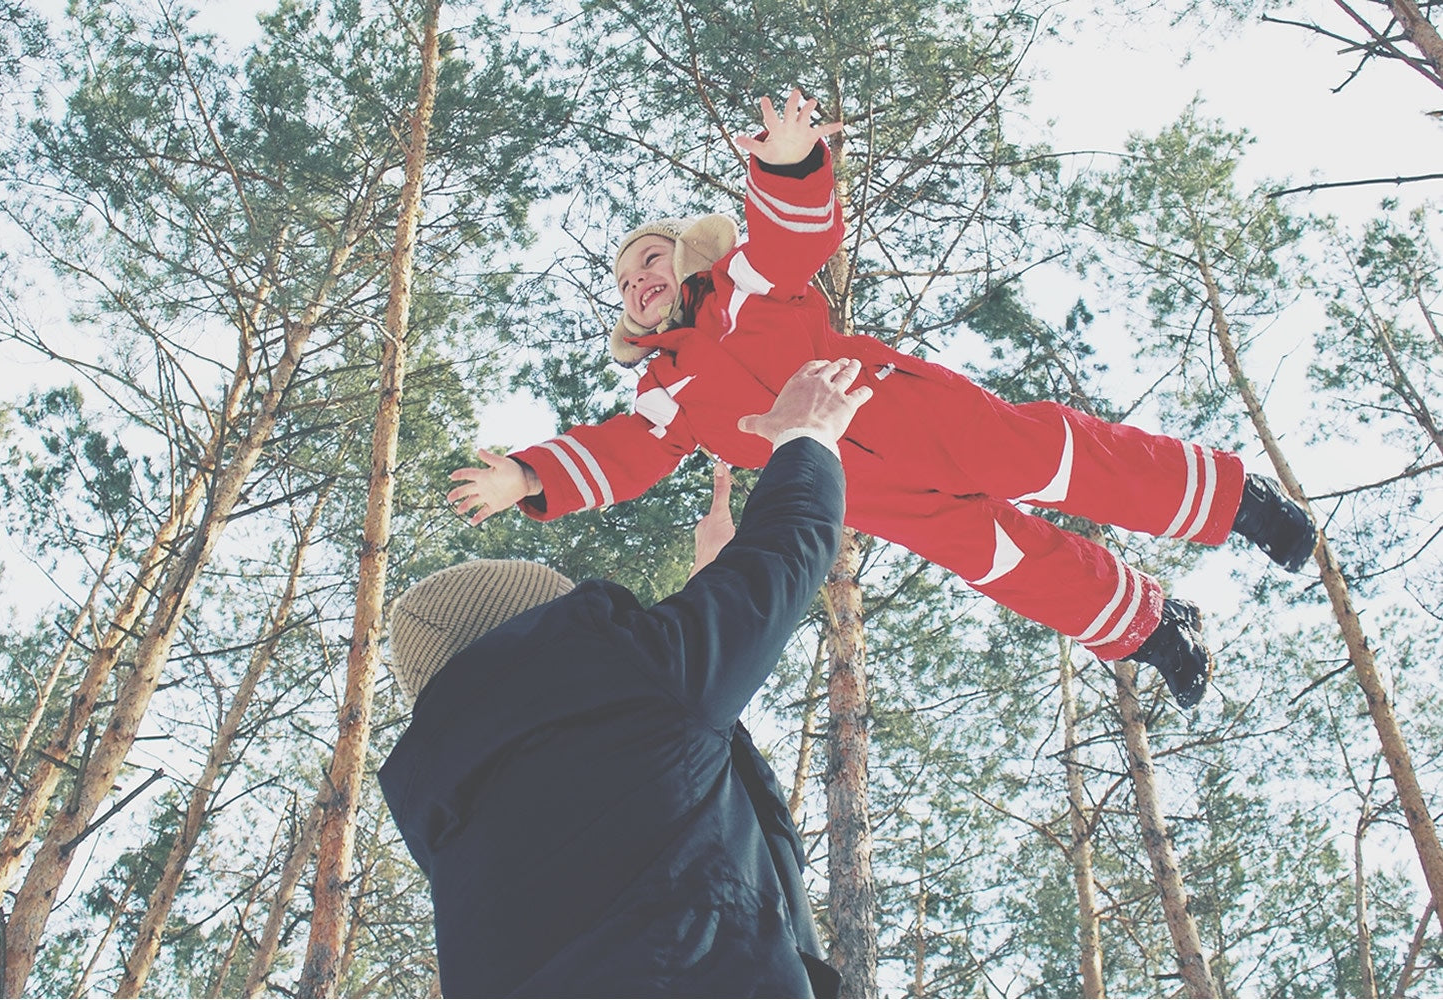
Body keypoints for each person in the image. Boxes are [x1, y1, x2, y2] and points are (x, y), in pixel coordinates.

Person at [447, 90, 1317, 709]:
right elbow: (620, 453)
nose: (639, 281)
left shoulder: (746, 286)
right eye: (625, 278)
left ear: (688, 262)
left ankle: (1235, 501)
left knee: (1051, 460)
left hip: (908, 413)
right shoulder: (664, 395)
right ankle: (1155, 627)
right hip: (858, 489)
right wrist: (527, 478)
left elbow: (794, 240)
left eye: (653, 261)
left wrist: (790, 164)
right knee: (1000, 560)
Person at [382, 359, 872, 996]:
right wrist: (807, 434)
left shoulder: (454, 833)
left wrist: (698, 620)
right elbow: (779, 563)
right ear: (546, 622)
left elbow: (663, 791)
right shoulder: (634, 687)